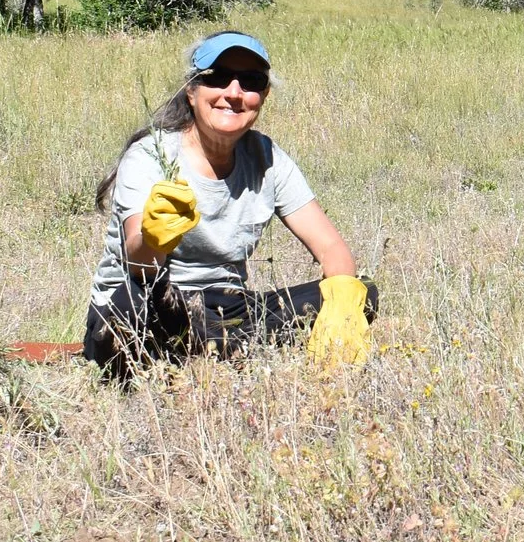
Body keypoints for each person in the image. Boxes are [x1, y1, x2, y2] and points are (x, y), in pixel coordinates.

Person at [82, 30, 374, 380]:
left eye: (250, 81)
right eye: (218, 77)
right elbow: (139, 266)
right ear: (192, 91)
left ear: (263, 95)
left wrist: (342, 302)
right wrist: (153, 237)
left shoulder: (267, 159)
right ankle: (213, 352)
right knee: (128, 311)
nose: (234, 93)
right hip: (152, 299)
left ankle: (213, 348)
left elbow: (332, 249)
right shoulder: (150, 155)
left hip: (225, 308)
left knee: (361, 292)